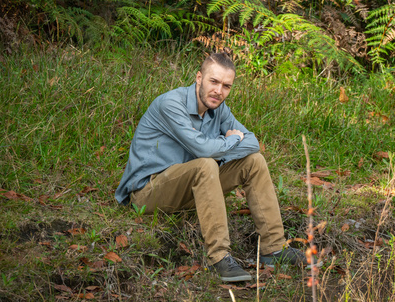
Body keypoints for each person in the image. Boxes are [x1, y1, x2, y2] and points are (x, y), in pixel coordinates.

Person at [115, 53, 307, 282]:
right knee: (206, 164)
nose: (219, 91)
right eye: (213, 82)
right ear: (199, 78)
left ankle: (273, 249)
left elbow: (253, 143)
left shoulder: (219, 109)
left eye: (226, 86)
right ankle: (219, 257)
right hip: (148, 193)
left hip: (190, 189)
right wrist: (231, 140)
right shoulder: (171, 104)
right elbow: (204, 151)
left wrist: (223, 145)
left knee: (254, 162)